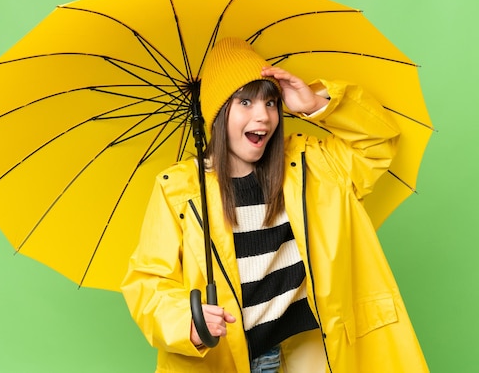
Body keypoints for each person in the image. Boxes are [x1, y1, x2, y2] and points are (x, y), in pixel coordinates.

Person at [122, 37, 429, 372]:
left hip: (308, 353)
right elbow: (148, 281)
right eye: (245, 102)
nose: (264, 116)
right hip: (226, 358)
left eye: (270, 103)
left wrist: (316, 102)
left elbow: (378, 142)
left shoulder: (311, 164)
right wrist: (186, 323)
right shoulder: (179, 190)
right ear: (218, 113)